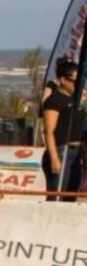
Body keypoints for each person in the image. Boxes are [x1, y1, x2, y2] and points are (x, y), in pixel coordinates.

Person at [41, 58, 84, 201]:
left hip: (76, 153)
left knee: (71, 197)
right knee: (57, 197)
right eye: (75, 81)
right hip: (61, 151)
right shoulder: (55, 100)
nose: (78, 85)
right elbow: (49, 131)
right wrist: (54, 158)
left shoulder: (76, 100)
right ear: (64, 80)